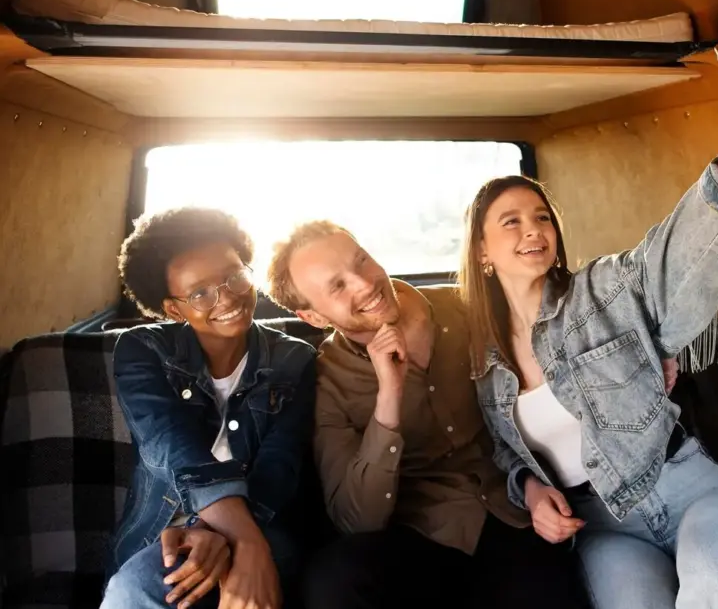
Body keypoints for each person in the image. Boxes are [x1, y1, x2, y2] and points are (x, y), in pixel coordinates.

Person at [458, 40, 718, 609]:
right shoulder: (483, 362)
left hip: (690, 490)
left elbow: (681, 250)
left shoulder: (601, 290)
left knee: (716, 581)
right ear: (482, 252)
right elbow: (504, 452)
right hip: (604, 527)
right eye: (510, 222)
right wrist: (531, 492)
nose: (533, 229)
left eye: (542, 217)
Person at [263, 222, 589, 609]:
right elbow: (356, 520)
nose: (364, 284)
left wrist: (532, 483)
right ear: (314, 317)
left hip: (514, 510)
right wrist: (389, 396)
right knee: (332, 581)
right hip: (422, 536)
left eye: (361, 261)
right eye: (337, 286)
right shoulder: (327, 381)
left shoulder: (468, 307)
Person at [101, 207, 317, 609]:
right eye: (200, 293)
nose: (228, 297)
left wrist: (236, 537)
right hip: (164, 532)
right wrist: (241, 540)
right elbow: (172, 446)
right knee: (138, 589)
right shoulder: (143, 349)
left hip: (264, 520)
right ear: (173, 309)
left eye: (235, 276)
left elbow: (280, 465)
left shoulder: (295, 359)